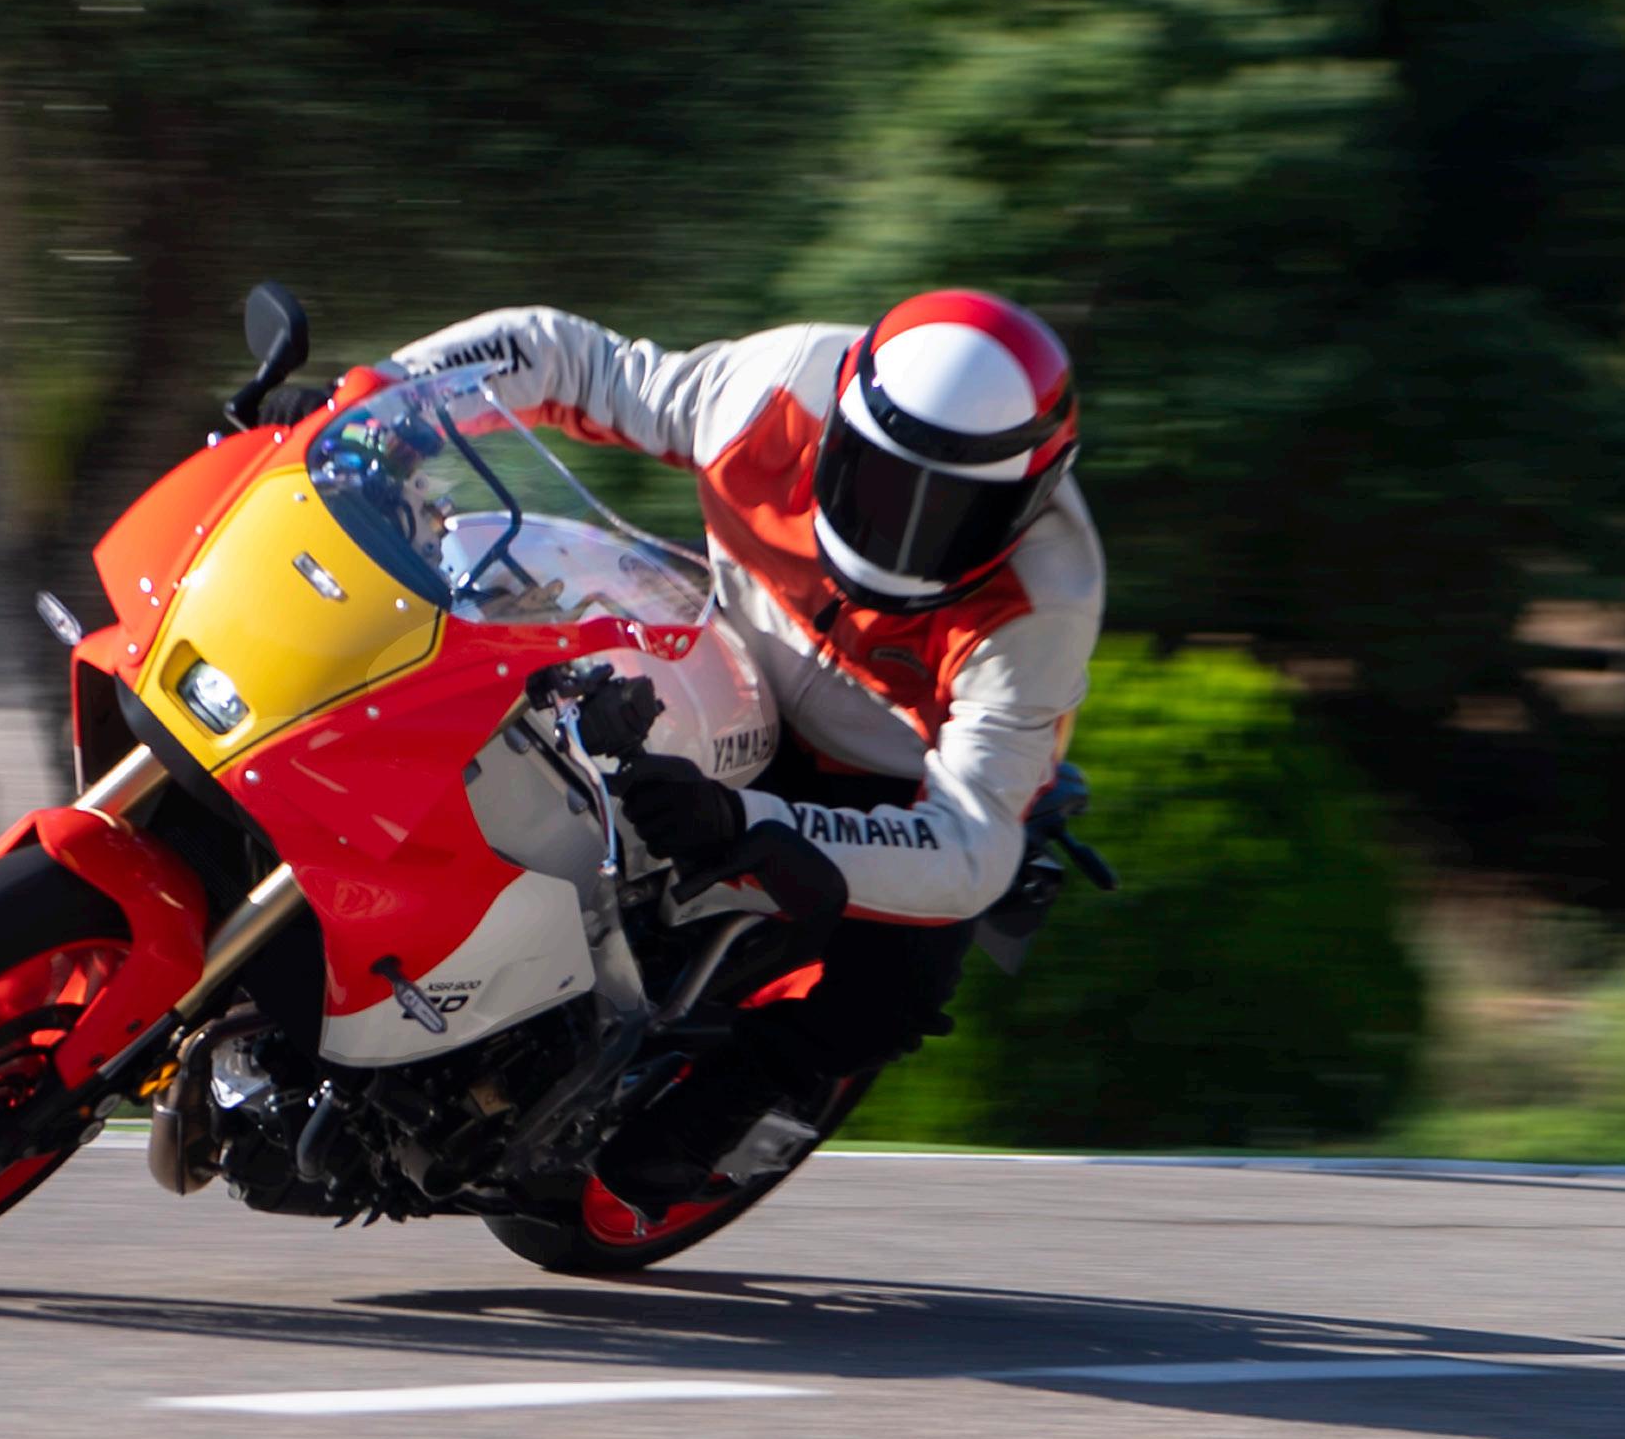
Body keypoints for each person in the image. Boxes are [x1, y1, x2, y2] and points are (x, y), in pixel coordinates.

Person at [386, 291, 1104, 1215]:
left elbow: (972, 848)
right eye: (885, 486)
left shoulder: (1045, 603)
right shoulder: (776, 388)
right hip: (719, 653)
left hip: (891, 778)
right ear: (838, 425)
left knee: (892, 996)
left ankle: (750, 1098)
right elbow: (571, 358)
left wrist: (744, 819)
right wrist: (377, 399)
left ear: (1030, 498)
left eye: (955, 510)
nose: (908, 532)